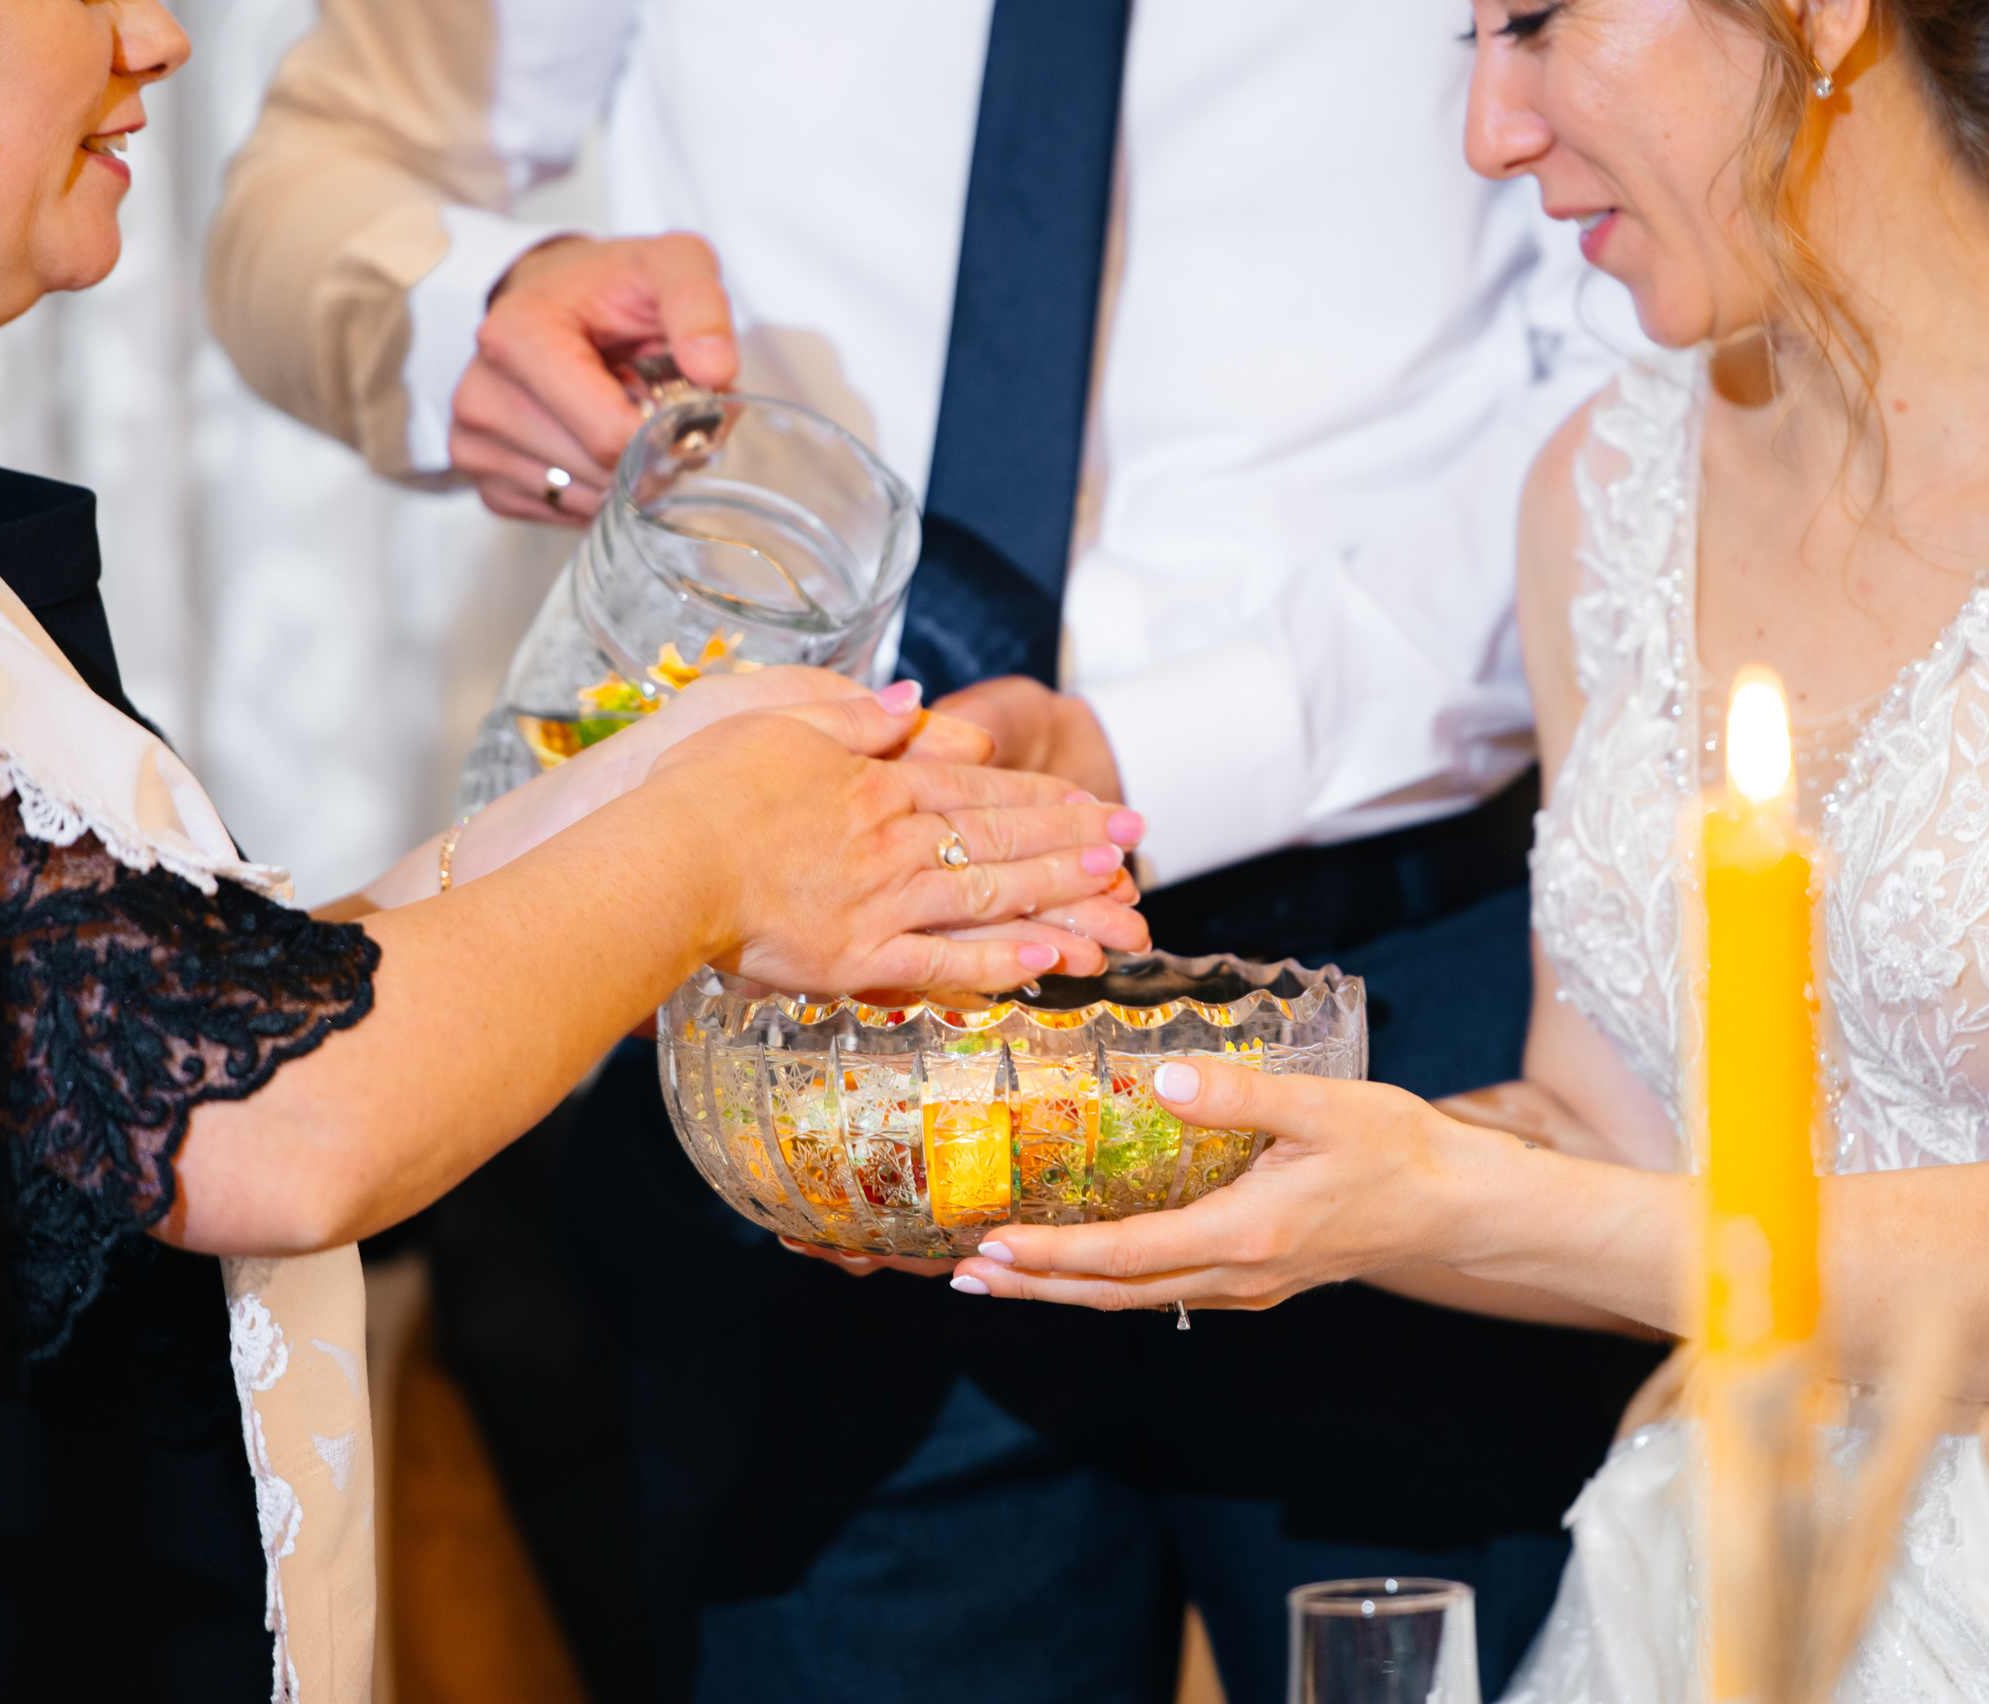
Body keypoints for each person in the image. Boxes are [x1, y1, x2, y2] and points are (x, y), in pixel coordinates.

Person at [206, 3, 1675, 1698]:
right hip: (822, 1055)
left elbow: (1637, 373)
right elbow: (314, 178)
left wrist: (1148, 758)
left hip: (1402, 1015)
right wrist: (481, 307)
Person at [949, 0, 1989, 1694]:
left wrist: (1456, 1195)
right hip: (1717, 1561)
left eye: (1538, 23)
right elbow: (1609, 1138)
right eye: (1470, 45)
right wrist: (1166, 1149)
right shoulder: (1599, 488)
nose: (1492, 133)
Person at [0, 2, 1147, 1698]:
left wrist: (672, 780)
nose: (156, 35)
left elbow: (187, 1015)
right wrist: (715, 851)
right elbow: (260, 1118)